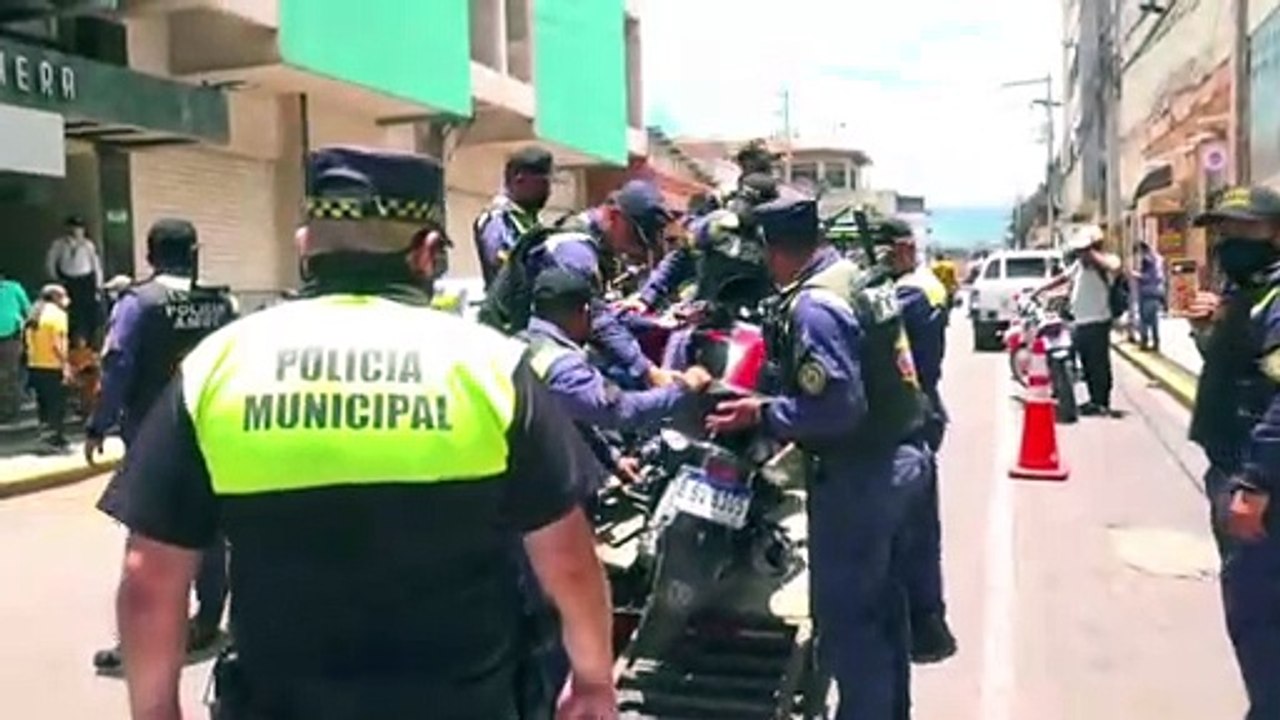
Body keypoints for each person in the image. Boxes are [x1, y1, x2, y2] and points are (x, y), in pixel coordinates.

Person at [97, 146, 617, 720]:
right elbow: (568, 559)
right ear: (427, 253)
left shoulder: (219, 366)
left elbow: (149, 579)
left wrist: (155, 711)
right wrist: (593, 680)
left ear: (305, 247)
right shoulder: (490, 366)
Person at [704, 193, 925, 719]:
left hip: (859, 477)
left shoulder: (815, 307)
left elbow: (836, 407)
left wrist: (763, 414)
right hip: (901, 459)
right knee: (882, 616)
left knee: (850, 624)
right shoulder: (852, 277)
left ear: (773, 249)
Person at [88, 218, 240, 673]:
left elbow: (117, 361)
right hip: (213, 428)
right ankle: (208, 620)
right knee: (211, 528)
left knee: (151, 537)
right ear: (194, 253)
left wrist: (99, 422)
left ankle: (144, 640)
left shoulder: (138, 303)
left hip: (155, 435)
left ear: (150, 255)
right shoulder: (222, 303)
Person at [1184, 185, 1280, 720]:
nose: (1229, 241)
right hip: (1236, 468)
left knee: (1258, 614)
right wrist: (1207, 330)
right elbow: (1241, 369)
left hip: (1257, 477)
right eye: (1223, 230)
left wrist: (1256, 482)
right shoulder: (1246, 295)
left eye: (1246, 229)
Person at [885, 220, 958, 665]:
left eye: (888, 251)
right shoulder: (921, 285)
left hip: (912, 409)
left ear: (906, 249)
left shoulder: (911, 291)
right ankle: (926, 618)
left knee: (912, 528)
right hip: (922, 405)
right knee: (918, 526)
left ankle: (923, 622)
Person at [524, 179, 677, 388]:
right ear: (614, 217)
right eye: (634, 238)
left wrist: (655, 324)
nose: (634, 250)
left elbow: (602, 312)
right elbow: (598, 321)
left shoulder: (597, 243)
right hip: (533, 354)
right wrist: (647, 370)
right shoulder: (575, 251)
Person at [1033, 226, 1122, 416]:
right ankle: (1093, 400)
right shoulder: (1079, 265)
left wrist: (1091, 253)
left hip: (1098, 321)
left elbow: (1114, 267)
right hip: (1081, 322)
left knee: (1098, 365)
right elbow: (1063, 277)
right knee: (1086, 363)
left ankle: (1101, 402)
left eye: (1083, 250)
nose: (1080, 254)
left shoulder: (1106, 261)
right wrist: (1040, 289)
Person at [475, 146, 554, 288]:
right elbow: (503, 269)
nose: (548, 191)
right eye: (542, 183)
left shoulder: (532, 219)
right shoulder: (497, 220)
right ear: (519, 179)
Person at [24, 284, 71, 451]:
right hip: (53, 366)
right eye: (64, 296)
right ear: (56, 297)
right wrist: (65, 365)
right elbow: (58, 344)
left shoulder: (34, 313)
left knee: (43, 405)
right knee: (57, 406)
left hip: (35, 365)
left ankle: (47, 438)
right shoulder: (58, 315)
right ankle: (55, 439)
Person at [45, 215, 103, 346]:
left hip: (85, 282)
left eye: (79, 228)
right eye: (73, 227)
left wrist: (98, 285)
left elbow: (96, 266)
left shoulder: (88, 245)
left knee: (86, 313)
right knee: (69, 313)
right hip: (68, 282)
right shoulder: (59, 244)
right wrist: (55, 279)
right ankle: (70, 341)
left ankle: (86, 341)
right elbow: (50, 262)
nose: (76, 231)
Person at [0, 271, 31, 422]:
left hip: (11, 336)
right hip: (10, 335)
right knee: (8, 374)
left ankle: (9, 410)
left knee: (9, 374)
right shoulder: (14, 288)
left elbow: (28, 310)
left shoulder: (13, 288)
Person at [1133, 240, 1166, 351]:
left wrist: (1136, 275)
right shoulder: (1158, 258)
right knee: (1154, 320)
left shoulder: (1147, 259)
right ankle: (1156, 342)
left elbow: (1149, 276)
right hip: (1157, 292)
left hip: (1147, 292)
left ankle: (1144, 342)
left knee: (1145, 319)